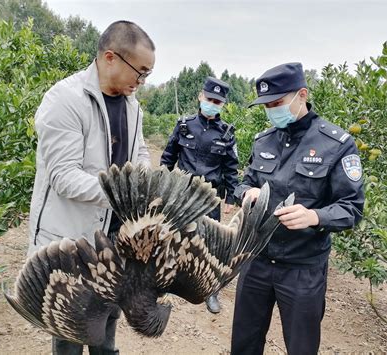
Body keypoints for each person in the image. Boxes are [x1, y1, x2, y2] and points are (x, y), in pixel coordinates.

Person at [28, 20, 155, 355]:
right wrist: (125, 192)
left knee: (107, 317)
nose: (141, 82)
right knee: (72, 328)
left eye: (148, 75)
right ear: (110, 57)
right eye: (139, 72)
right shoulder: (65, 100)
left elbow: (140, 152)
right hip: (72, 240)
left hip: (114, 236)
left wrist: (144, 179)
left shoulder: (133, 107)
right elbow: (64, 176)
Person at [231, 62, 364, 355]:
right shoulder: (263, 140)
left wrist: (314, 216)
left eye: (277, 103)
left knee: (301, 347)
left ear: (301, 95)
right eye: (266, 105)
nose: (271, 110)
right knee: (244, 343)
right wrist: (246, 192)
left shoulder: (336, 144)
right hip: (256, 260)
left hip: (303, 267)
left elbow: (352, 208)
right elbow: (244, 183)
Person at [160, 76, 239, 314]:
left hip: (209, 196)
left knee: (209, 243)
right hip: (182, 193)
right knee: (172, 236)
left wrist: (231, 198)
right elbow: (168, 157)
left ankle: (210, 290)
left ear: (222, 104)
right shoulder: (184, 125)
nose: (212, 104)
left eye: (217, 101)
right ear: (200, 97)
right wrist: (162, 185)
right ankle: (165, 283)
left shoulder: (226, 134)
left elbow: (230, 169)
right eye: (209, 98)